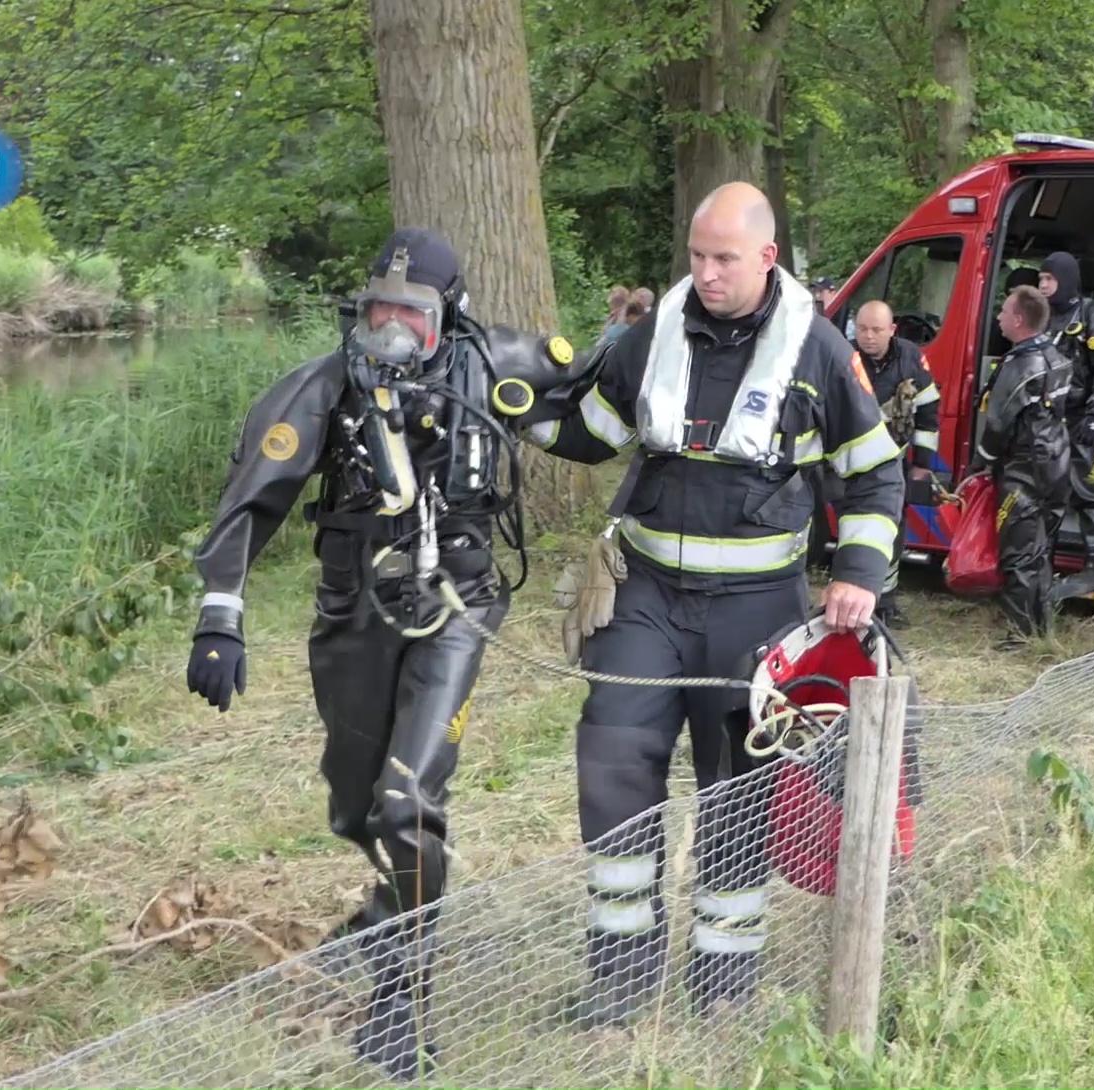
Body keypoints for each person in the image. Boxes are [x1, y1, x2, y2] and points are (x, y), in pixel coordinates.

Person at [183, 227, 591, 1080]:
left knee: (408, 801)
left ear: (452, 316)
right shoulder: (330, 384)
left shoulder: (499, 364)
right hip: (355, 609)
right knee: (356, 805)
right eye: (380, 311)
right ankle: (383, 911)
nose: (392, 331)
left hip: (458, 604)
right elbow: (252, 495)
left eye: (412, 313)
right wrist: (221, 613)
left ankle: (400, 1002)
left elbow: (603, 410)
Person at [525, 182, 905, 1025]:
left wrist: (858, 575)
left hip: (758, 610)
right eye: (697, 257)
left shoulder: (817, 348)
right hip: (647, 598)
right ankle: (619, 978)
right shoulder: (652, 335)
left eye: (724, 258)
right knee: (614, 761)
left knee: (737, 788)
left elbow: (877, 472)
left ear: (767, 258)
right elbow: (591, 432)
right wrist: (518, 402)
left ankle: (722, 983)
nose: (706, 273)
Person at [969, 284, 1071, 649]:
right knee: (1042, 549)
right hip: (1057, 463)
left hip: (1024, 470)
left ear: (1018, 319)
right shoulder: (1058, 357)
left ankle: (1020, 633)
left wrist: (981, 463)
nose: (997, 317)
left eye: (1003, 311)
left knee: (1016, 552)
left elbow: (997, 425)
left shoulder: (1020, 366)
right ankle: (1042, 627)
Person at [851, 299, 940, 629]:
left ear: (892, 330)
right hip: (852, 463)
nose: (869, 337)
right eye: (862, 329)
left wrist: (923, 464)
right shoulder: (844, 358)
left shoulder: (912, 358)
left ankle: (884, 602)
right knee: (856, 530)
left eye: (876, 330)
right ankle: (859, 597)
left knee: (892, 531)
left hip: (894, 461)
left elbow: (929, 410)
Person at [1036, 252, 1094, 586]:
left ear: (1066, 280)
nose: (1043, 286)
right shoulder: (1042, 318)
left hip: (1082, 419)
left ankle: (1093, 567)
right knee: (1049, 491)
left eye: (1049, 280)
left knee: (1088, 491)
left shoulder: (1093, 317)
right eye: (1040, 280)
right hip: (1049, 419)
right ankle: (1044, 565)